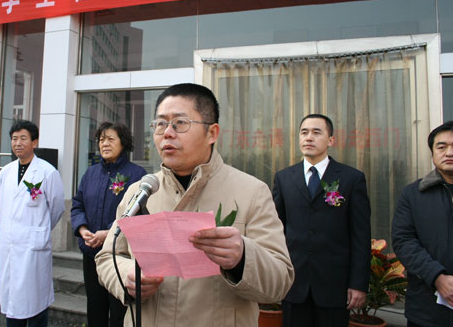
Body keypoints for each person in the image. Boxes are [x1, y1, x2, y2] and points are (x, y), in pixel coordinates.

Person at [95, 83, 294, 327]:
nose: (167, 133)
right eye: (160, 124)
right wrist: (127, 275)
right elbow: (107, 257)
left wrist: (242, 257)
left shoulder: (252, 192)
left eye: (180, 123)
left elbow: (280, 282)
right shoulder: (140, 192)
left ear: (212, 133)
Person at [272, 114, 371, 327]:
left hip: (334, 285)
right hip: (294, 283)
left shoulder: (351, 179)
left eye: (316, 132)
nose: (309, 137)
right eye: (304, 132)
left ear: (330, 140)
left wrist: (358, 283)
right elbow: (275, 229)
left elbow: (361, 236)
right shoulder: (284, 178)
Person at [71, 122, 147, 327]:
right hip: (92, 253)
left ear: (123, 143)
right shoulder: (90, 174)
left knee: (119, 311)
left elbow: (138, 214)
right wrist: (82, 229)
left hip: (120, 255)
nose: (104, 143)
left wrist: (108, 234)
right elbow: (77, 205)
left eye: (110, 139)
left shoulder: (136, 175)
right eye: (101, 139)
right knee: (95, 309)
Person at [0, 120, 65, 326]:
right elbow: (4, 206)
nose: (18, 143)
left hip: (33, 247)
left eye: (23, 138)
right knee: (12, 303)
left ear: (34, 142)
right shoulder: (5, 172)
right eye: (14, 139)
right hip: (10, 244)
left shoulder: (47, 172)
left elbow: (56, 207)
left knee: (35, 301)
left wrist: (39, 230)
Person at [392, 120, 453, 327]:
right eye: (441, 147)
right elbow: (403, 241)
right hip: (426, 308)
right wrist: (437, 277)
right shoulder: (413, 194)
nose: (449, 152)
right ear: (433, 153)